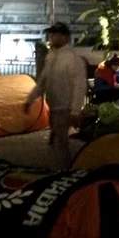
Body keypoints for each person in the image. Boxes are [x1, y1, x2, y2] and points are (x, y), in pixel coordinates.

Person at [25, 22, 87, 170]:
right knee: (58, 140)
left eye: (55, 34)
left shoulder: (73, 58)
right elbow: (43, 81)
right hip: (54, 106)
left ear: (65, 37)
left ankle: (64, 170)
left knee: (60, 141)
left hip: (65, 107)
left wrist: (75, 111)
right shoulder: (51, 57)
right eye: (51, 34)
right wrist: (30, 99)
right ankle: (62, 168)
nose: (51, 37)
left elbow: (79, 86)